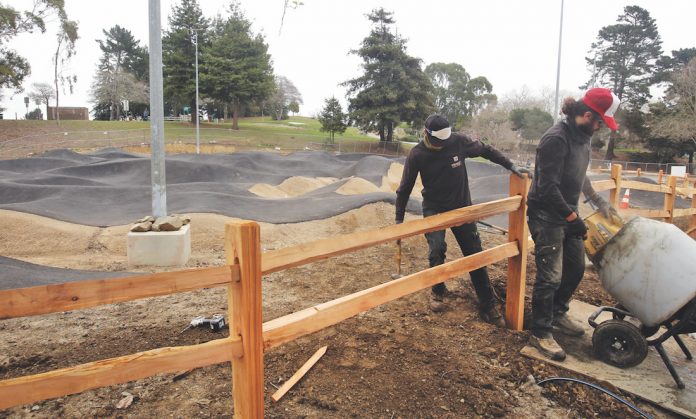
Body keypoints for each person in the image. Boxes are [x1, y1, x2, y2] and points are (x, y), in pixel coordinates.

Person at [395, 114, 531, 326]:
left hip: (461, 208)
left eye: (445, 141)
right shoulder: (417, 155)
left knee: (475, 254)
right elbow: (404, 190)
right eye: (438, 142)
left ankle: (487, 303)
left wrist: (510, 165)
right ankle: (438, 290)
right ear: (426, 134)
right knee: (436, 249)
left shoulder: (458, 141)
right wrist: (398, 222)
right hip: (435, 209)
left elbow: (486, 150)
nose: (443, 145)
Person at [527, 88, 622, 360]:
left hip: (568, 214)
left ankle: (557, 313)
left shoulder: (583, 137)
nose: (600, 128)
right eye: (599, 122)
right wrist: (573, 218)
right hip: (547, 215)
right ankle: (540, 332)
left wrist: (597, 201)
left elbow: (579, 176)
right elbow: (547, 188)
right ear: (587, 115)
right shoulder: (556, 140)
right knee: (550, 276)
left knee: (576, 269)